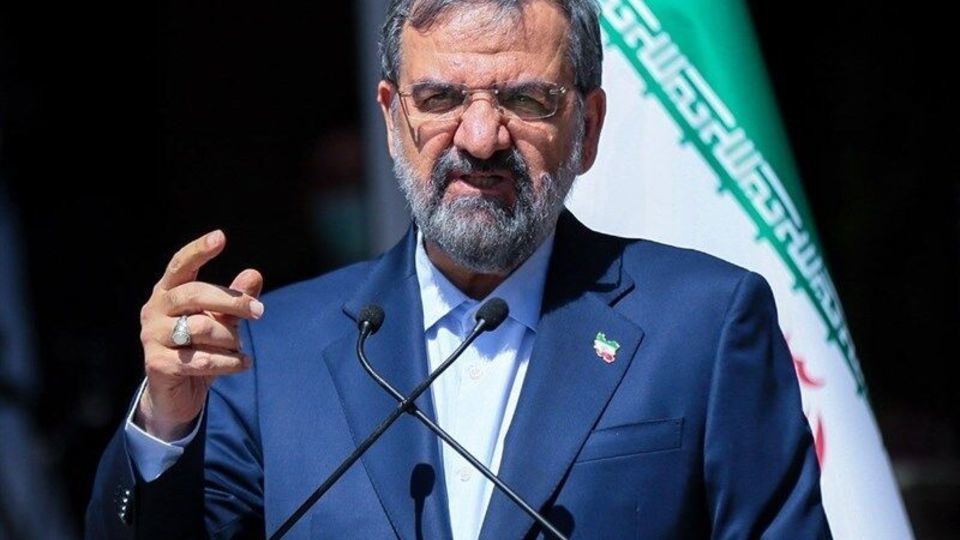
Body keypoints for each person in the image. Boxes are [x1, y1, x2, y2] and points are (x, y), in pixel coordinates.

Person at [87, 0, 831, 538]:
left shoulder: (704, 326)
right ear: (391, 119)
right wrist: (166, 422)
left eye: (526, 99)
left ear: (588, 127)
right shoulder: (270, 352)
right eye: (440, 97)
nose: (479, 138)